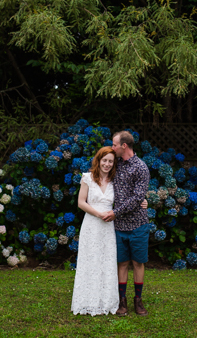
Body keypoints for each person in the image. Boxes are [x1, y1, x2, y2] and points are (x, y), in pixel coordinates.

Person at [71, 146, 147, 316]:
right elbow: (81, 203)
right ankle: (87, 300)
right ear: (98, 160)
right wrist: (99, 214)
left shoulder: (116, 181)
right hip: (92, 224)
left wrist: (144, 201)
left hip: (108, 227)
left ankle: (108, 300)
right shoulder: (88, 178)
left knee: (107, 262)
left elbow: (130, 195)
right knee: (91, 261)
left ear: (114, 164)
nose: (107, 164)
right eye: (104, 160)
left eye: (110, 161)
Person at [101, 130, 151, 316]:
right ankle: (122, 301)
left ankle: (138, 300)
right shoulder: (115, 164)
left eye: (114, 144)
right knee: (121, 263)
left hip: (138, 224)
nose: (112, 148)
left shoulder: (141, 168)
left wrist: (116, 212)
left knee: (138, 263)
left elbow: (138, 197)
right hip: (118, 226)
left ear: (124, 146)